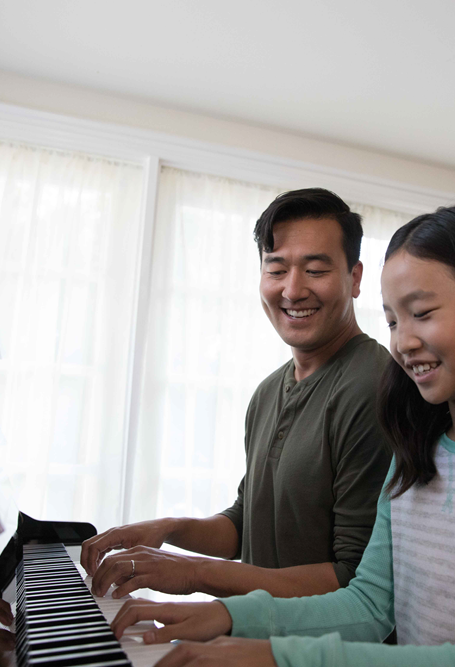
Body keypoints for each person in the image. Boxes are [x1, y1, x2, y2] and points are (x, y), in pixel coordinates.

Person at [108, 205, 455, 667]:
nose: (403, 341)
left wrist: (280, 655)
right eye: (391, 321)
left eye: (422, 313)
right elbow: (368, 605)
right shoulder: (418, 445)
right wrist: (227, 615)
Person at [81, 189, 393, 600]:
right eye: (276, 270)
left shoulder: (373, 385)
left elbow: (353, 579)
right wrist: (166, 529)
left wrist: (192, 574)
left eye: (315, 270)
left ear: (354, 278)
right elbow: (246, 525)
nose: (293, 290)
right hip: (256, 641)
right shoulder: (267, 393)